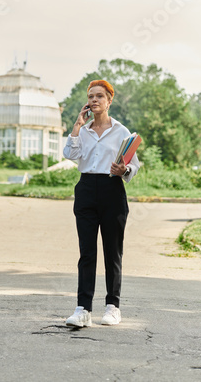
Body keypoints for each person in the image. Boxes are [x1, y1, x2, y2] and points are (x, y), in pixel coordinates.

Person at [63, 79, 140, 327]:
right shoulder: (82, 131)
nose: (94, 100)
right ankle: (83, 309)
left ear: (109, 100)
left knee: (112, 252)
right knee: (87, 252)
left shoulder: (121, 131)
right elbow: (70, 155)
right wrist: (76, 126)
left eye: (99, 96)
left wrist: (124, 169)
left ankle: (112, 307)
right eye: (91, 96)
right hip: (86, 189)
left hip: (112, 190)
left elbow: (134, 166)